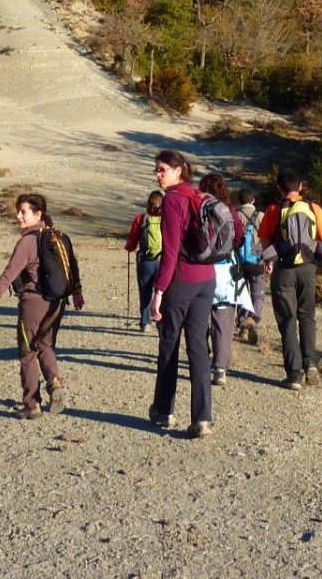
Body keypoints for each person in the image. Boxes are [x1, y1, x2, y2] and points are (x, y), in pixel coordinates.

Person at [0, 192, 84, 419]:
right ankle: (54, 383)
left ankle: (32, 404)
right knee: (45, 346)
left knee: (27, 352)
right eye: (18, 211)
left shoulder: (28, 242)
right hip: (57, 302)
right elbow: (72, 265)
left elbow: (9, 275)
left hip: (33, 303)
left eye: (23, 211)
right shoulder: (59, 236)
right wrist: (77, 292)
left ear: (38, 214)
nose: (18, 216)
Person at [147, 149, 217, 439]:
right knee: (199, 347)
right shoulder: (199, 196)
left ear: (179, 170)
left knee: (169, 345)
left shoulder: (173, 200)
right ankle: (202, 419)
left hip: (181, 282)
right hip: (207, 279)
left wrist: (158, 291)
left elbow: (171, 252)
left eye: (162, 169)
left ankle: (164, 410)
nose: (158, 174)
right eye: (157, 169)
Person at [257, 168, 322, 390]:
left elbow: (265, 241)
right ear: (301, 186)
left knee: (287, 321)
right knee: (307, 317)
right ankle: (311, 365)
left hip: (284, 270)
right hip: (308, 269)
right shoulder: (314, 209)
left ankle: (294, 375)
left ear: (279, 188)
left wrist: (269, 260)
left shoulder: (274, 210)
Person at [198, 172, 248, 387]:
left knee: (199, 319)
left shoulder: (198, 208)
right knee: (223, 321)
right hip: (225, 270)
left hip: (200, 268)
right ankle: (220, 368)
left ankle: (201, 358)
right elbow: (238, 238)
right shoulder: (231, 211)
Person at [124, 190, 164, 332]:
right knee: (161, 291)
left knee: (145, 291)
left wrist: (128, 247)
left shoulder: (141, 219)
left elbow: (131, 244)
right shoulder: (167, 218)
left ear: (148, 203)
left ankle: (145, 322)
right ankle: (160, 321)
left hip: (145, 261)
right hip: (163, 261)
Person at [233, 189, 267, 345]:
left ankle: (241, 325)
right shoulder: (261, 216)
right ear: (253, 200)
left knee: (241, 295)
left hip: (239, 262)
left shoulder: (234, 215)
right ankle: (251, 320)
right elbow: (267, 238)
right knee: (257, 295)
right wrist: (270, 261)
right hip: (257, 261)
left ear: (240, 201)